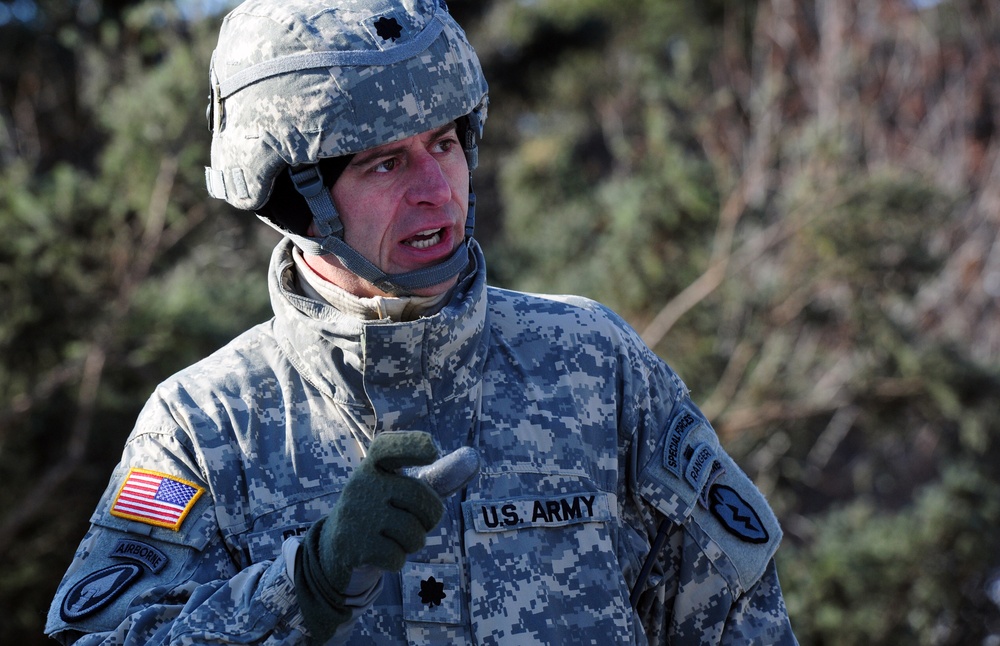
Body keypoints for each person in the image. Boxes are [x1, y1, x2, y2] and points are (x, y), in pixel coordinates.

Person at [45, 0, 798, 643]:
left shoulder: (596, 366)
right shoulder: (206, 426)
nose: (438, 189)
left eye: (443, 143)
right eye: (385, 163)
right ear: (292, 196)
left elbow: (738, 612)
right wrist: (304, 582)